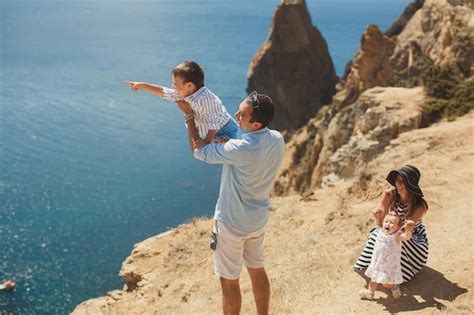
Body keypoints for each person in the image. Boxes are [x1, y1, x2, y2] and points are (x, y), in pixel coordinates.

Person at [176, 91, 284, 315]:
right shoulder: (276, 139)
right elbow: (249, 148)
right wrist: (233, 142)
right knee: (257, 270)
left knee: (229, 281)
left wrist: (189, 117)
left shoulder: (239, 149)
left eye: (242, 115)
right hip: (256, 221)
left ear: (254, 124)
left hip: (231, 224)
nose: (236, 115)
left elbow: (199, 151)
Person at [124, 61, 239, 145]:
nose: (173, 86)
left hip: (226, 130)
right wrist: (142, 85)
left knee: (237, 161)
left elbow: (214, 122)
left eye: (175, 83)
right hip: (214, 134)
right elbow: (163, 92)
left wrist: (205, 143)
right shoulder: (185, 93)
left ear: (189, 85)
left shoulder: (206, 99)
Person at [354, 165, 429, 284]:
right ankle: (373, 266)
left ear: (411, 184)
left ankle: (397, 274)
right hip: (392, 229)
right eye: (397, 180)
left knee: (396, 240)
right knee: (376, 234)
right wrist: (378, 217)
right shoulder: (389, 194)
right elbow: (381, 222)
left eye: (403, 182)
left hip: (412, 238)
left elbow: (408, 229)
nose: (399, 184)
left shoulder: (420, 205)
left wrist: (408, 226)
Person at [359, 212, 415, 300]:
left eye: (392, 222)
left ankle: (394, 287)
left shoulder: (397, 236)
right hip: (377, 262)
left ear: (398, 227)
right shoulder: (380, 231)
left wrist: (408, 230)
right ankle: (370, 292)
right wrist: (377, 217)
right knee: (374, 278)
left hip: (388, 266)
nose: (388, 224)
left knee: (386, 283)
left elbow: (406, 237)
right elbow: (378, 224)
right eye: (386, 221)